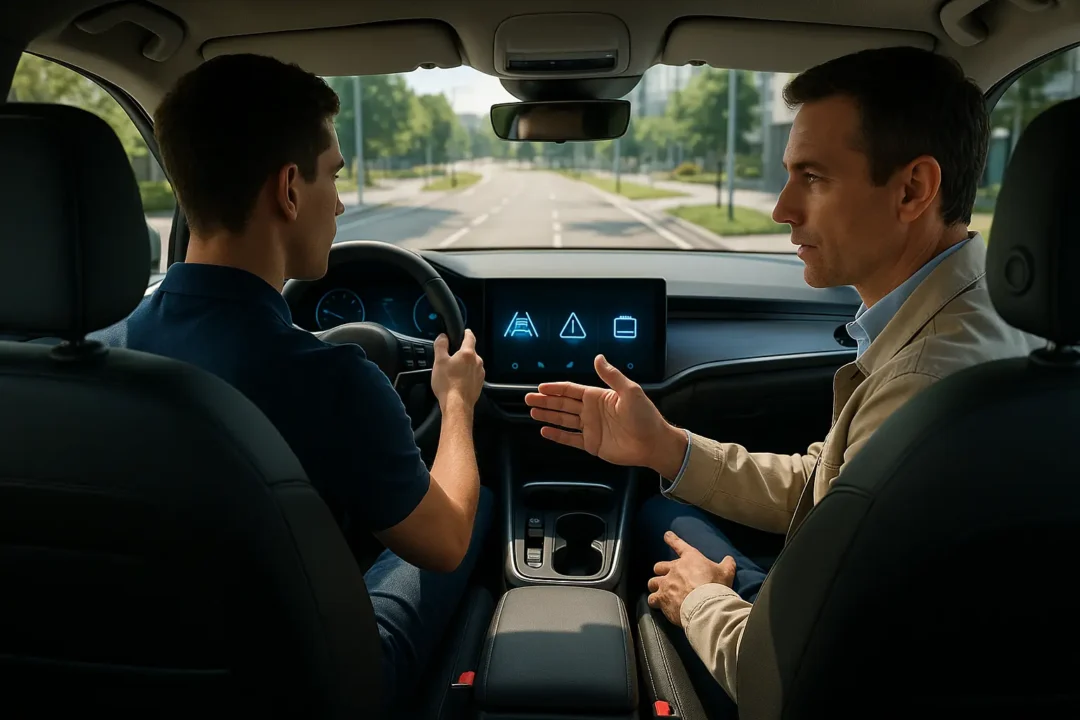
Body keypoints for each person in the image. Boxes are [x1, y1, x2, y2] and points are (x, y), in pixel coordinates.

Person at [525, 46, 1037, 713]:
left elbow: (788, 677)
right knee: (666, 500)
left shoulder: (923, 377)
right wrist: (666, 449)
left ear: (913, 189)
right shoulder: (992, 315)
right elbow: (826, 486)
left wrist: (703, 597)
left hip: (822, 672)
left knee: (657, 527)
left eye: (813, 178)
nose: (782, 208)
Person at [110, 54, 491, 707]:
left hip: (134, 671)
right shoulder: (331, 383)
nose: (341, 203)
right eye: (334, 177)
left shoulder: (107, 349)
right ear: (289, 189)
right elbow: (447, 539)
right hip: (311, 688)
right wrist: (456, 404)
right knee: (479, 514)